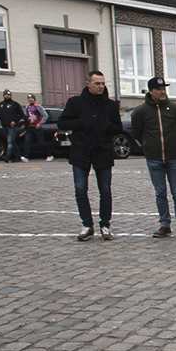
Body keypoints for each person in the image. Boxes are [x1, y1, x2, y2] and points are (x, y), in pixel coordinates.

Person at [58, 71, 122, 241]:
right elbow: (62, 122)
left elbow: (118, 127)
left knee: (105, 190)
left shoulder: (110, 105)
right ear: (88, 84)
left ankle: (105, 225)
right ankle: (87, 224)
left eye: (103, 83)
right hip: (81, 151)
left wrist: (106, 125)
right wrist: (79, 122)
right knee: (80, 189)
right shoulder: (75, 103)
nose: (101, 86)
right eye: (97, 83)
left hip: (102, 151)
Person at [130, 76, 176, 239]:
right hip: (154, 158)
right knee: (160, 193)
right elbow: (137, 132)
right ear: (151, 91)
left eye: (163, 88)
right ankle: (165, 224)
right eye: (158, 89)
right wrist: (147, 146)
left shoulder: (174, 108)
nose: (162, 92)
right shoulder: (141, 111)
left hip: (173, 157)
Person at [0, 89, 25, 163]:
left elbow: (21, 114)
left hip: (12, 127)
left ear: (11, 96)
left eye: (8, 95)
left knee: (10, 141)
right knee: (12, 142)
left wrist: (15, 121)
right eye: (6, 95)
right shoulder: (1, 104)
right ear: (3, 96)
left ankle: (7, 156)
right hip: (4, 126)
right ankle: (18, 157)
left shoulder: (15, 104)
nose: (7, 96)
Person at [22, 94, 53, 161]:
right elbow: (26, 116)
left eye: (32, 98)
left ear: (34, 99)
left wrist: (40, 123)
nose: (30, 100)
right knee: (27, 141)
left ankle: (49, 155)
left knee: (41, 141)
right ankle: (25, 156)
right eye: (29, 98)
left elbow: (45, 115)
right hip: (30, 127)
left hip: (37, 127)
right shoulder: (27, 106)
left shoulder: (38, 106)